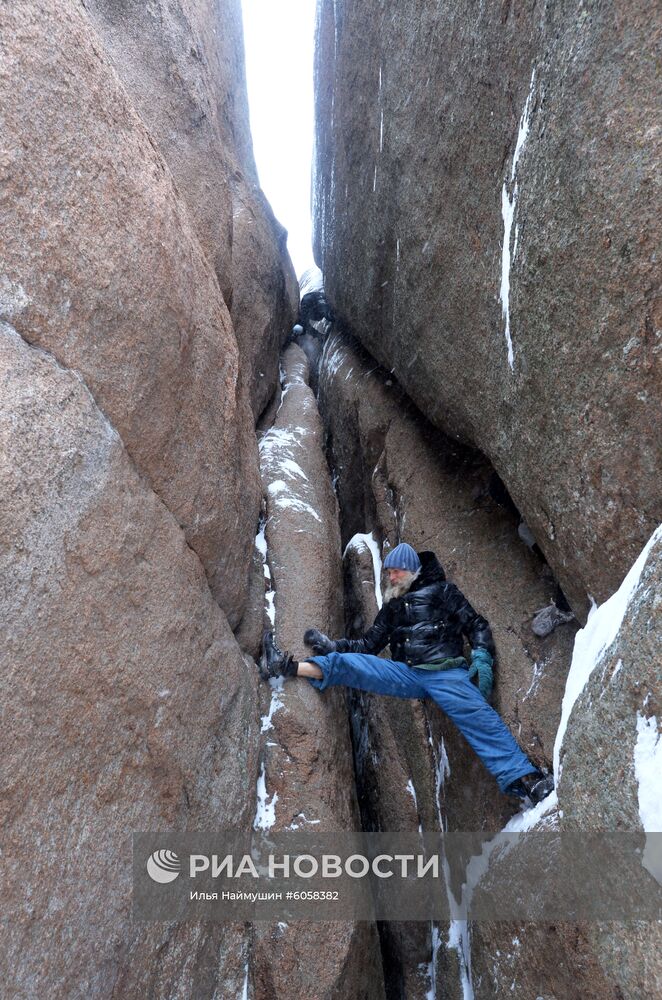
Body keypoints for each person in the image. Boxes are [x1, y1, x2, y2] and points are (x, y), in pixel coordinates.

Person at [260, 543, 554, 805]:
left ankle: (528, 781)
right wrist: (333, 645)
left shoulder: (443, 592)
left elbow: (476, 624)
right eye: (388, 572)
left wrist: (481, 656)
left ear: (412, 570)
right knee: (352, 664)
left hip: (445, 672)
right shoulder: (393, 606)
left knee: (479, 718)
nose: (391, 577)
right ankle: (286, 667)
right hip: (408, 674)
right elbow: (369, 644)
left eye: (396, 572)